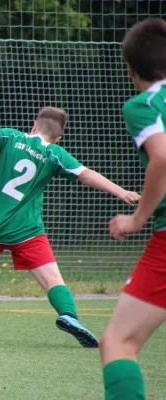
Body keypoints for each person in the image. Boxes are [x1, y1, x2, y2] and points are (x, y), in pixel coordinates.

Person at [0, 107, 139, 348]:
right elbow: (86, 174)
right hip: (26, 230)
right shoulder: (54, 153)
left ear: (34, 125)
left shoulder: (11, 137)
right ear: (58, 137)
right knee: (52, 279)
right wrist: (121, 191)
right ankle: (68, 315)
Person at [100, 18, 166, 400]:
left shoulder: (145, 104)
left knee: (118, 342)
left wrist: (138, 217)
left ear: (130, 69)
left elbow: (161, 157)